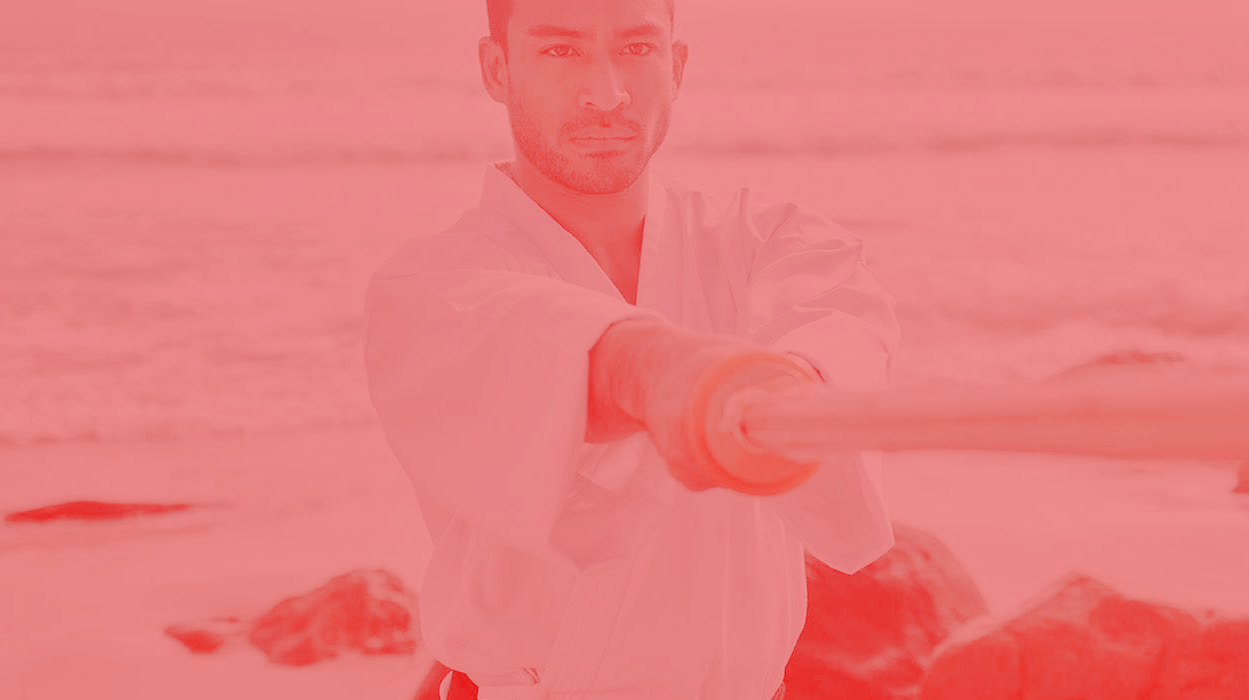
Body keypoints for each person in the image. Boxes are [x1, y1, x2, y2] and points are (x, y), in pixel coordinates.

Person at [362, 0, 898, 697]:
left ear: (676, 66)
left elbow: (840, 325)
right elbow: (548, 345)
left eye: (638, 50)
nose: (607, 93)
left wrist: (789, 389)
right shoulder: (432, 288)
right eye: (561, 51)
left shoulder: (768, 239)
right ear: (498, 69)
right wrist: (659, 372)